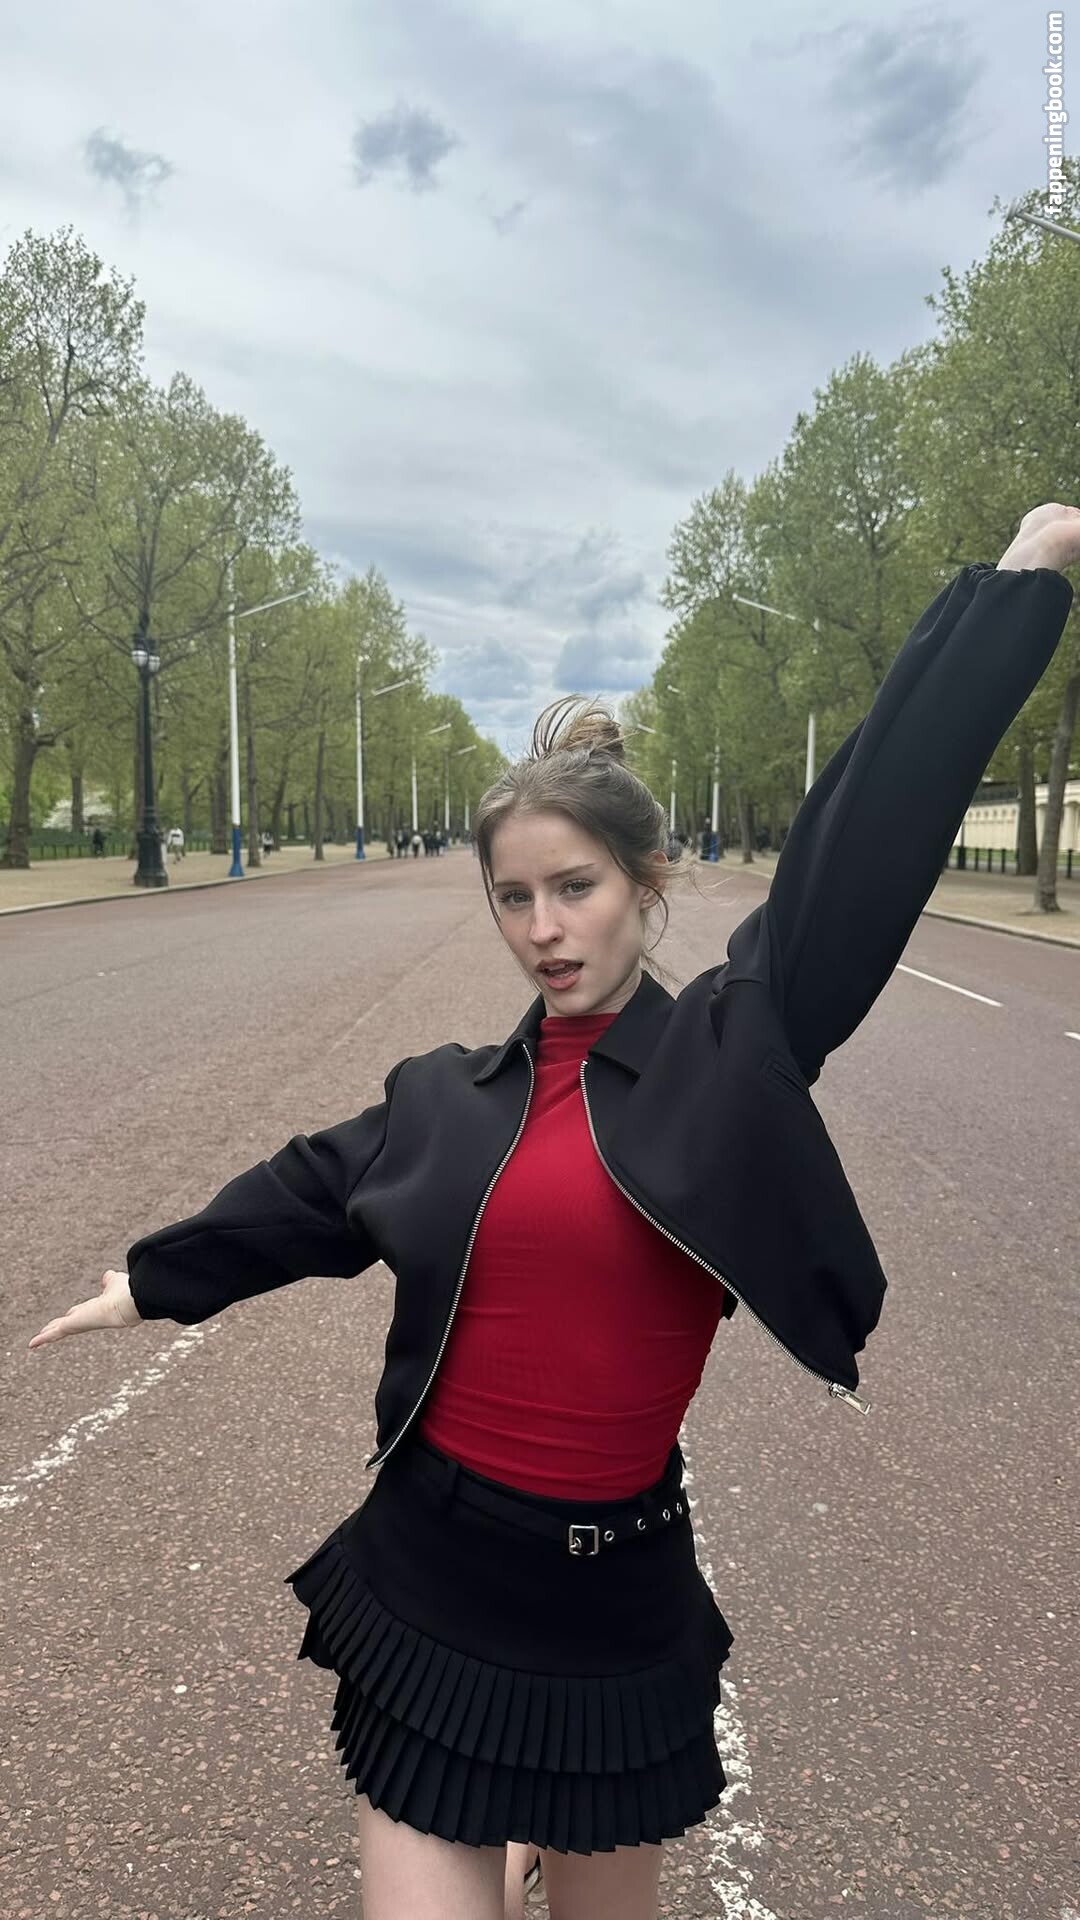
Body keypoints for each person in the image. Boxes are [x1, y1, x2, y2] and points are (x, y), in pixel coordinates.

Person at [26, 504, 1080, 1920]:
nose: (543, 928)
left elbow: (863, 846)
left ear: (647, 887)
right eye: (513, 896)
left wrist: (1011, 590)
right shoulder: (443, 1096)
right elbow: (308, 1191)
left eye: (575, 888)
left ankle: (532, 1843)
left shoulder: (733, 1056)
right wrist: (151, 1281)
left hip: (615, 1614)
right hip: (435, 1578)